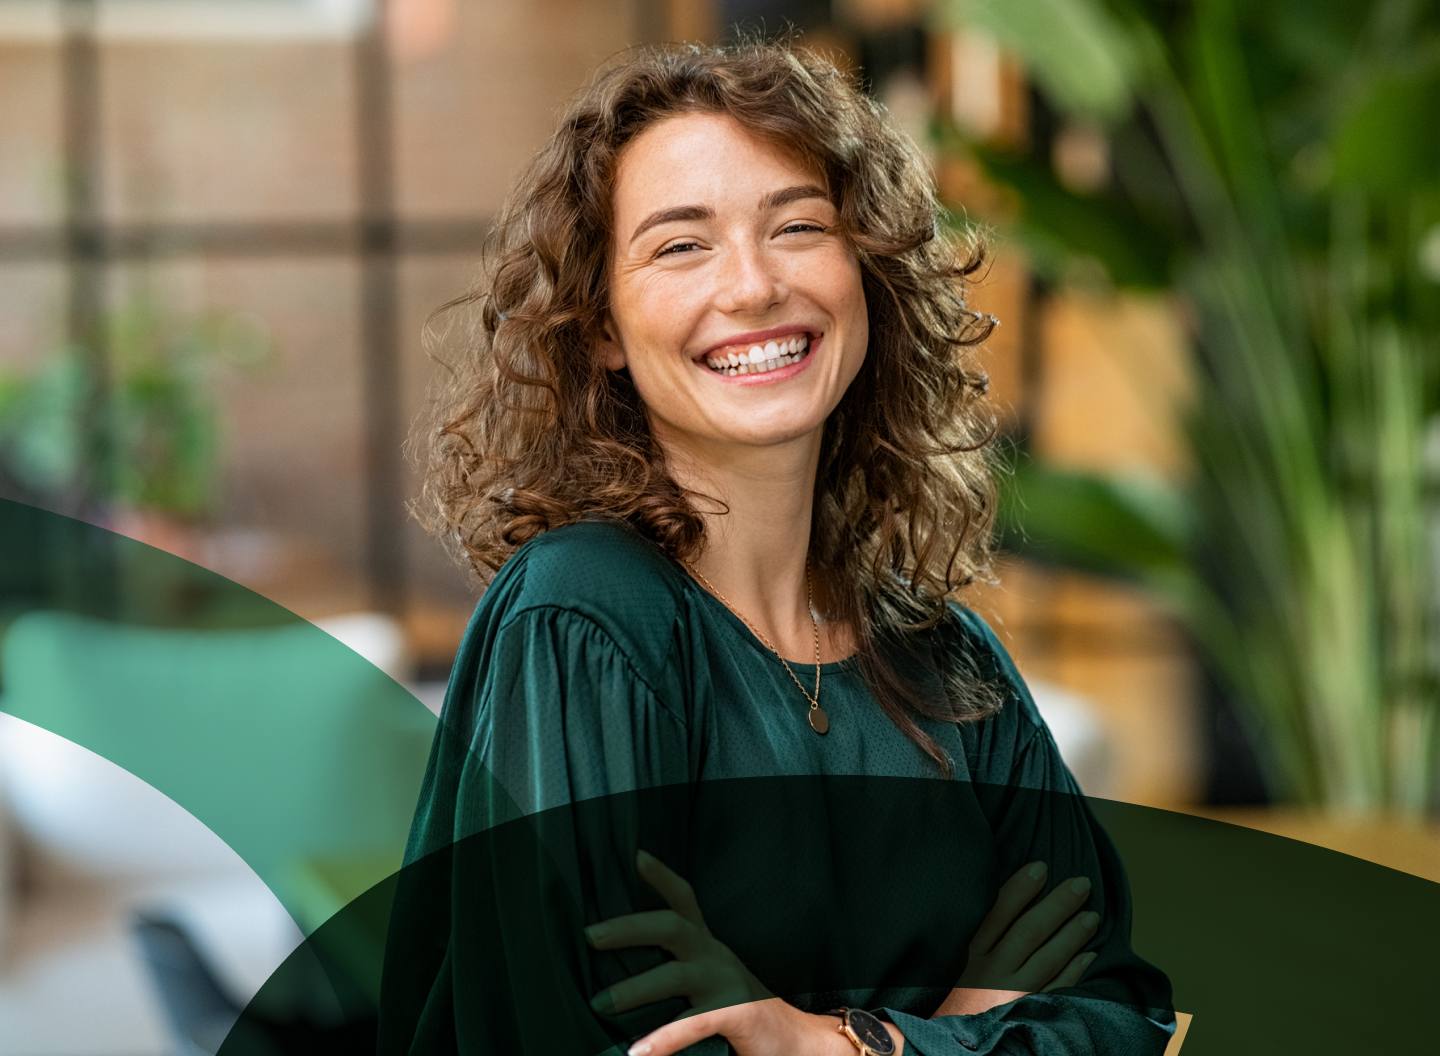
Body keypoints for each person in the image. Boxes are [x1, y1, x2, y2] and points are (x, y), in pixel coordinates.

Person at [378, 41, 1174, 1056]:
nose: (753, 286)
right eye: (681, 246)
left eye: (799, 226)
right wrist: (962, 1025)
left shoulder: (953, 665)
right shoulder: (583, 620)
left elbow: (1123, 1023)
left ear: (866, 274)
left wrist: (837, 1042)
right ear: (603, 326)